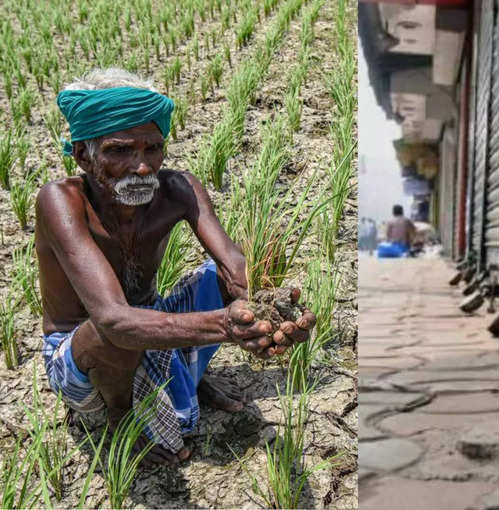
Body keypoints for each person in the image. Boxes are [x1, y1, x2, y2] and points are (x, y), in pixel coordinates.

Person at [36, 69, 315, 464]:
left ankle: (188, 376)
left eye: (152, 149)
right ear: (83, 155)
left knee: (215, 279)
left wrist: (271, 313)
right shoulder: (61, 201)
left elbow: (234, 267)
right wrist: (225, 325)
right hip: (85, 354)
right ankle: (119, 415)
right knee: (108, 333)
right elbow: (113, 320)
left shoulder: (178, 189)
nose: (143, 166)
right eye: (120, 151)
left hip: (148, 323)